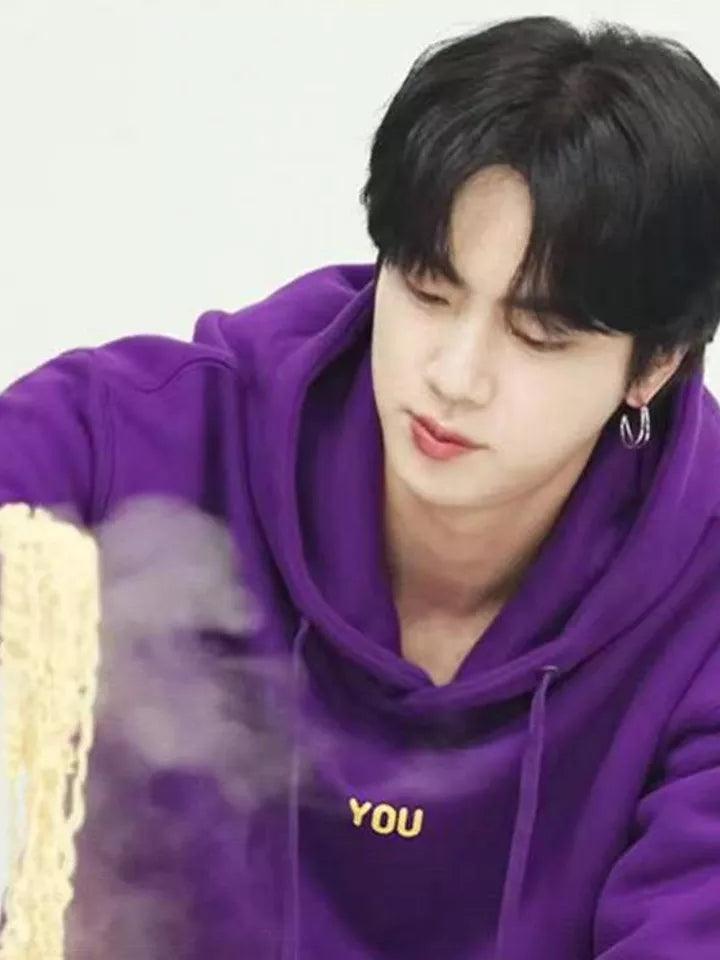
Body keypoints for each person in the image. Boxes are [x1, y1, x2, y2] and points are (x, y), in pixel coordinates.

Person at [2, 12, 720, 959]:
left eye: (538, 336)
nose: (454, 376)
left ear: (655, 364)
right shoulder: (155, 435)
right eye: (426, 290)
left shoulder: (702, 602)